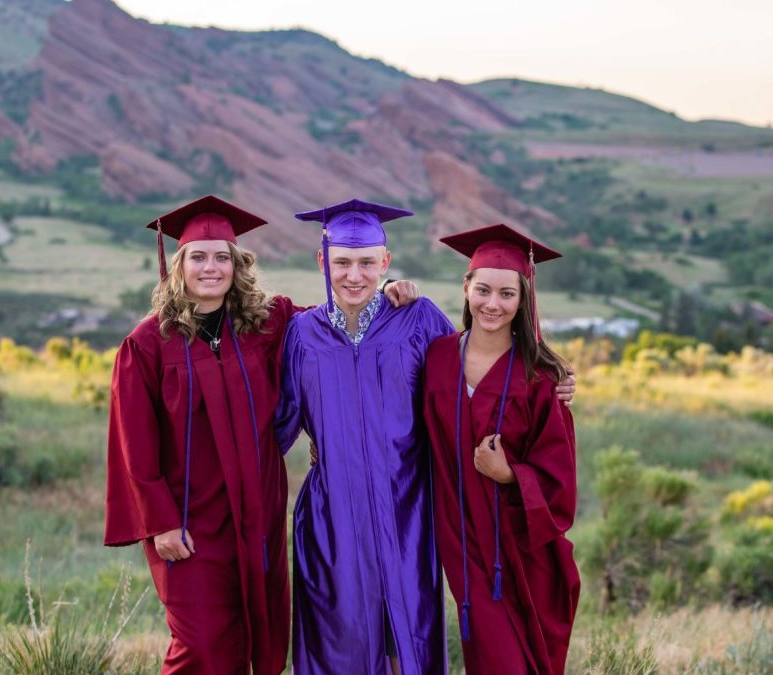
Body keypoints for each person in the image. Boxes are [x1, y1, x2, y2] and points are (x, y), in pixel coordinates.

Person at [103, 195, 415, 675]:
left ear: (237, 263)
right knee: (202, 643)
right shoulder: (148, 344)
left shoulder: (268, 322)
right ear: (178, 264)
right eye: (199, 257)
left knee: (259, 636)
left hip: (257, 515)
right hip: (189, 522)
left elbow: (340, 321)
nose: (212, 268)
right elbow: (133, 442)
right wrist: (159, 521)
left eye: (222, 256)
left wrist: (388, 292)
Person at [276, 201, 577, 674]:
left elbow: (472, 386)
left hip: (408, 517)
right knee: (339, 644)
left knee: (405, 640)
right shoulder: (300, 334)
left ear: (386, 263)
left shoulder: (417, 321)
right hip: (332, 517)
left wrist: (551, 381)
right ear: (322, 262)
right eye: (342, 262)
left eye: (367, 263)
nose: (354, 275)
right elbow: (275, 424)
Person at [422, 224, 580, 675]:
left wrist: (509, 473)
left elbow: (559, 477)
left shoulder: (541, 377)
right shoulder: (436, 357)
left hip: (518, 545)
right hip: (458, 533)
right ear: (466, 288)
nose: (493, 304)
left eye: (507, 294)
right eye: (484, 290)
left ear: (522, 300)